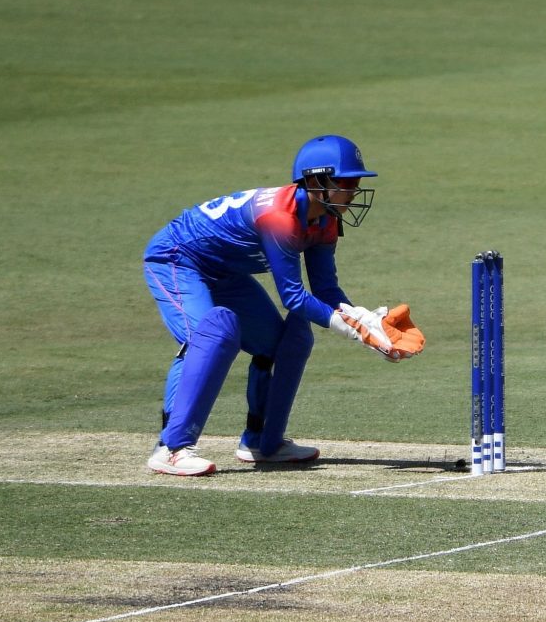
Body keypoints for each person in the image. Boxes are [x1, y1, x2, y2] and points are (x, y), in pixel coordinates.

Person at [141, 135, 418, 476]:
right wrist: (354, 330)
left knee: (280, 342)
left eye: (356, 182)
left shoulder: (326, 218)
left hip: (226, 271)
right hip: (177, 260)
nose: (354, 191)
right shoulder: (279, 217)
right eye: (346, 183)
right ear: (316, 181)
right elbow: (293, 296)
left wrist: (365, 321)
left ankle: (262, 442)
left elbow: (326, 289)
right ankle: (171, 448)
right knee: (211, 335)